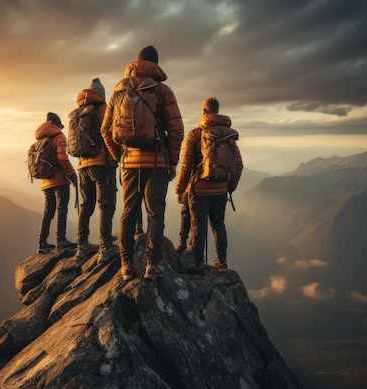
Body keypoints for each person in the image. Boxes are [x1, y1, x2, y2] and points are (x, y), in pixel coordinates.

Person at [101, 45, 184, 281]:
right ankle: (151, 265)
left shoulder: (119, 90)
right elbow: (176, 130)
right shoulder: (163, 90)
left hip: (129, 162)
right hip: (157, 163)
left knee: (128, 212)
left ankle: (126, 264)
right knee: (155, 214)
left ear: (135, 64)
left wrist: (119, 155)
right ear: (156, 65)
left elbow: (105, 129)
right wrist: (172, 162)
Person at [174, 97, 243, 272]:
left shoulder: (195, 134)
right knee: (218, 225)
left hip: (199, 190)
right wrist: (229, 187)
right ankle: (222, 260)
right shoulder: (229, 137)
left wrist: (180, 189)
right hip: (221, 190)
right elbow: (239, 165)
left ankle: (197, 264)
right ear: (217, 111)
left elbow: (186, 165)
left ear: (204, 111)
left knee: (199, 226)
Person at [73, 78, 119, 263]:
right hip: (102, 163)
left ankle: (81, 245)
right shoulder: (102, 109)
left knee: (86, 205)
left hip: (82, 165)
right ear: (102, 94)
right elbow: (111, 133)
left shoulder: (78, 112)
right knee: (106, 204)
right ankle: (106, 246)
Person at [36, 112, 78, 253]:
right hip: (59, 180)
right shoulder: (59, 137)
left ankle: (42, 242)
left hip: (46, 181)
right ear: (56, 124)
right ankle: (61, 240)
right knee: (62, 209)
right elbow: (62, 158)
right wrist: (72, 174)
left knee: (48, 211)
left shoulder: (41, 139)